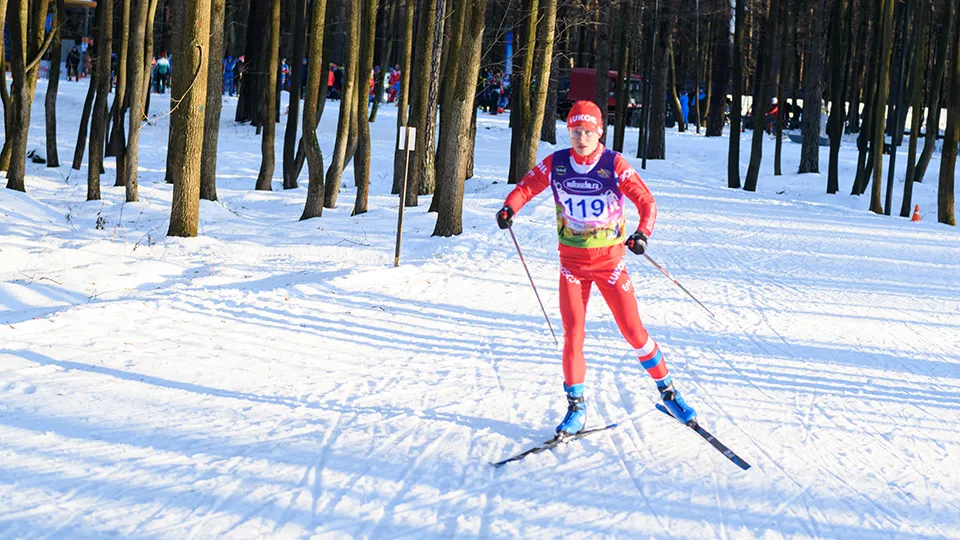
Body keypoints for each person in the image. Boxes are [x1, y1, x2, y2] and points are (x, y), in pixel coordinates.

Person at [495, 100, 697, 436]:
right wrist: (509, 208)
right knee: (573, 335)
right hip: (572, 265)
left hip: (610, 264)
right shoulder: (557, 163)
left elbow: (646, 202)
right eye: (576, 131)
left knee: (633, 331)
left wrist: (642, 234)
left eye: (588, 131)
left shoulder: (613, 163)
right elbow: (527, 187)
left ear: (600, 131)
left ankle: (669, 392)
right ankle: (576, 407)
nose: (582, 138)